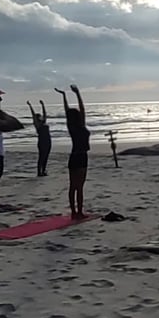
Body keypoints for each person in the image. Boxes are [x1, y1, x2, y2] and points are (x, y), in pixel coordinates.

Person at [56, 85, 90, 218]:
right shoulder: (81, 126)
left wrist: (64, 96)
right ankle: (79, 212)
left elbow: (67, 112)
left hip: (73, 156)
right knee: (79, 187)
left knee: (73, 186)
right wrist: (77, 93)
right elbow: (82, 109)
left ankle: (74, 212)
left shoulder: (72, 127)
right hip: (81, 157)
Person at [28, 99, 51, 177]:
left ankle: (43, 170)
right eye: (40, 116)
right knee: (42, 156)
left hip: (48, 141)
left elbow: (45, 113)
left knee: (46, 156)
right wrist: (30, 106)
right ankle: (39, 172)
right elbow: (33, 115)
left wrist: (43, 105)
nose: (41, 117)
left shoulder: (44, 122)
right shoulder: (38, 125)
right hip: (42, 142)